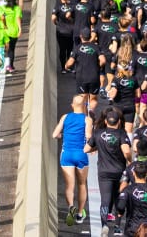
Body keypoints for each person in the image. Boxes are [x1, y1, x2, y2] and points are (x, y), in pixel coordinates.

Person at [53, 93, 91, 226]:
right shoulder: (87, 119)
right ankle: (80, 214)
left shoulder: (65, 117)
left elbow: (55, 134)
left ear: (72, 105)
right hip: (80, 154)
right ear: (84, 106)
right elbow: (89, 137)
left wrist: (63, 135)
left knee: (70, 186)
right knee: (82, 184)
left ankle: (70, 207)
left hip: (67, 154)